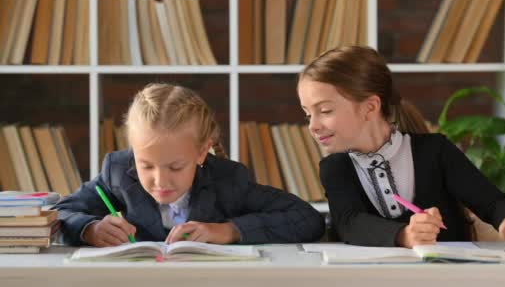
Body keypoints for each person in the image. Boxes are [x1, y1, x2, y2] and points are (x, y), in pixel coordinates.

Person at [297, 46, 505, 248]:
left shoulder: (435, 151)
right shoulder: (335, 168)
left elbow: (491, 202)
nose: (313, 126)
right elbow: (349, 223)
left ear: (370, 107)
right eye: (308, 115)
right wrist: (404, 235)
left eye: (325, 111)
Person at [55, 83, 325, 247]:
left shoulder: (227, 180)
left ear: (202, 152)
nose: (160, 181)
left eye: (175, 167)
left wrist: (228, 231)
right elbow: (60, 213)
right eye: (146, 165)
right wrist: (89, 229)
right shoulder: (117, 172)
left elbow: (307, 219)